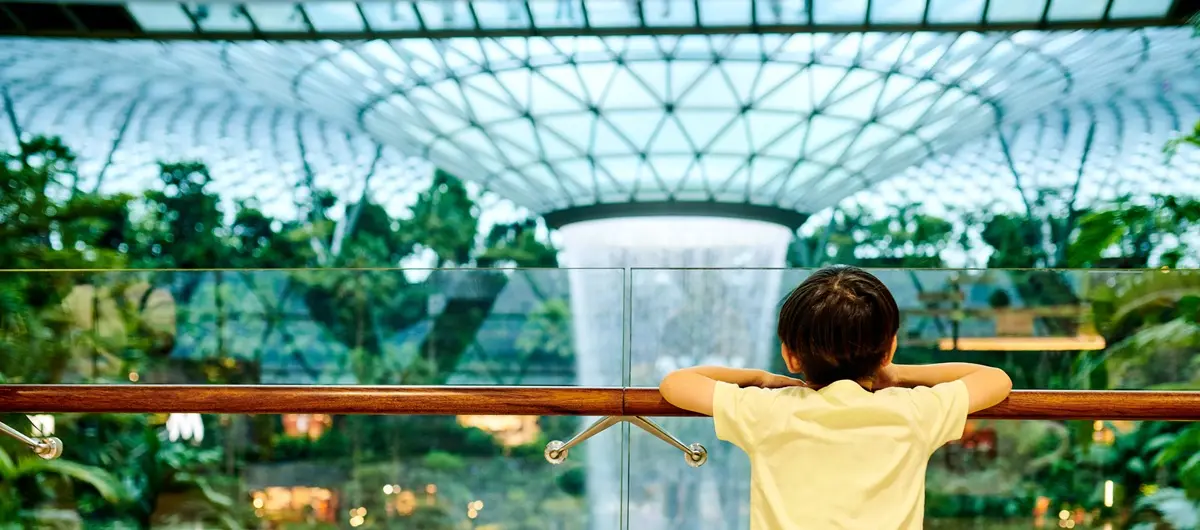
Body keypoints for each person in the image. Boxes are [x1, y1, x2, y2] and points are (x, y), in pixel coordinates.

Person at [659, 265, 1012, 530]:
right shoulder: (913, 412)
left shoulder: (767, 411)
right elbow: (994, 379)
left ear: (790, 356)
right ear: (889, 349)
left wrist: (762, 379)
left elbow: (677, 384)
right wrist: (899, 373)